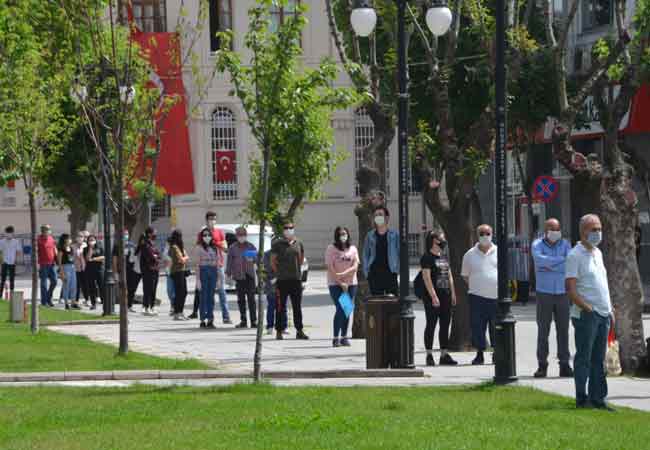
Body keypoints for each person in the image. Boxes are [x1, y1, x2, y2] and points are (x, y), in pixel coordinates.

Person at [566, 214, 615, 411]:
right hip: (587, 314)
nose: (597, 233)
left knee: (598, 359)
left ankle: (598, 398)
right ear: (583, 231)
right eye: (593, 229)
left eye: (599, 229)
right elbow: (571, 288)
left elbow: (601, 283)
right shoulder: (574, 255)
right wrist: (587, 308)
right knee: (584, 358)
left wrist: (610, 308)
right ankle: (582, 398)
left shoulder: (597, 253)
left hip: (604, 314)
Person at [531, 218, 574, 378]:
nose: (555, 232)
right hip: (544, 292)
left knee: (563, 330)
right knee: (543, 331)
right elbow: (539, 261)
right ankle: (542, 365)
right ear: (546, 230)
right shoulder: (537, 245)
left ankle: (564, 364)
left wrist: (549, 264)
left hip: (562, 292)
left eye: (557, 229)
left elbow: (568, 263)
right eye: (552, 229)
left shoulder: (566, 244)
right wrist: (559, 261)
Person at [461, 224, 498, 365]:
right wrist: (478, 284)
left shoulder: (498, 251)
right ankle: (479, 354)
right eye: (482, 233)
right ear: (477, 235)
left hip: (495, 297)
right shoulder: (469, 254)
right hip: (476, 297)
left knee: (496, 327)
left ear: (492, 234)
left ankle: (496, 352)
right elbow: (465, 275)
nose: (485, 236)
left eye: (487, 233)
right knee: (477, 327)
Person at [421, 231, 458, 366]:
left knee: (445, 325)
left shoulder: (444, 256)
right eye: (441, 238)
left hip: (446, 295)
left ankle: (444, 354)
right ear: (434, 240)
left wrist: (453, 293)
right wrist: (433, 296)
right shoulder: (426, 257)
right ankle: (429, 354)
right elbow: (426, 277)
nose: (443, 240)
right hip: (432, 297)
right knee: (431, 324)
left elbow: (449, 275)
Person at [271, 222, 309, 340]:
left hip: (296, 280)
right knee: (280, 306)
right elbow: (273, 261)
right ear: (283, 230)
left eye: (290, 228)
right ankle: (279, 330)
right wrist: (279, 273)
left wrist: (298, 273)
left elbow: (301, 259)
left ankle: (299, 330)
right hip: (282, 280)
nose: (288, 230)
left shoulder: (299, 243)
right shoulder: (277, 244)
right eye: (286, 228)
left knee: (297, 306)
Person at [325, 226, 359, 347]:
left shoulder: (353, 248)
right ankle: (335, 337)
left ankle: (344, 336)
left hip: (351, 284)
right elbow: (330, 267)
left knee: (347, 309)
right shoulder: (331, 249)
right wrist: (340, 282)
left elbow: (355, 266)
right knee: (340, 308)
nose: (343, 236)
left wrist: (345, 276)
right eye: (340, 234)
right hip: (335, 284)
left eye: (344, 233)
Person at [200, 211, 231, 324]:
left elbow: (225, 248)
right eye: (210, 219)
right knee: (208, 293)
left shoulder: (219, 232)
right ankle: (209, 318)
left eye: (214, 219)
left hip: (219, 265)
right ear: (206, 220)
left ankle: (226, 316)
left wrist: (216, 243)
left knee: (221, 291)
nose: (212, 221)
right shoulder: (203, 233)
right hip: (206, 266)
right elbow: (199, 249)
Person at [362, 207, 399, 296]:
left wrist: (397, 269)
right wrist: (367, 272)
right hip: (374, 274)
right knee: (376, 303)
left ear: (386, 217)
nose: (378, 217)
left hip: (390, 273)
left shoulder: (394, 234)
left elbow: (400, 253)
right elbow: (365, 255)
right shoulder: (370, 235)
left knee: (392, 302)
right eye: (376, 215)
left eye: (380, 215)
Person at [226, 227, 257, 328]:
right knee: (241, 300)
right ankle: (243, 320)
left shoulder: (251, 246)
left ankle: (254, 321)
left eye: (243, 235)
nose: (242, 237)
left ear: (246, 235)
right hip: (239, 277)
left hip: (249, 276)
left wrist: (252, 259)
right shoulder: (232, 248)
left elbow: (258, 259)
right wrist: (228, 274)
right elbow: (229, 262)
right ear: (236, 236)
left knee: (251, 299)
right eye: (239, 235)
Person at [195, 226, 220, 329]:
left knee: (211, 297)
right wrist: (197, 280)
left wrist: (218, 279)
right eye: (204, 235)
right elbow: (197, 264)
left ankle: (210, 319)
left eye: (209, 235)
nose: (207, 237)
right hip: (203, 270)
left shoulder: (215, 247)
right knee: (203, 297)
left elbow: (217, 263)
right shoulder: (199, 247)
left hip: (213, 271)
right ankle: (202, 320)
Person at [263, 248, 287, 335]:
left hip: (282, 283)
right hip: (271, 284)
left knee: (282, 306)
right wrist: (272, 278)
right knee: (271, 306)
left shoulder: (284, 253)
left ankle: (283, 327)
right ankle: (270, 327)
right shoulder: (267, 254)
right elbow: (265, 269)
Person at [137, 227, 160, 316]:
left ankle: (152, 306)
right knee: (148, 288)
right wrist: (155, 257)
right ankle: (146, 307)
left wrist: (156, 256)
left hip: (155, 269)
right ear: (150, 234)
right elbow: (150, 256)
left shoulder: (152, 243)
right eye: (154, 232)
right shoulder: (145, 244)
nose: (155, 234)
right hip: (148, 270)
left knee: (153, 288)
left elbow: (158, 254)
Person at [168, 229, 189, 321]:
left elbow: (184, 256)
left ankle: (180, 311)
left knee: (184, 292)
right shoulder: (174, 247)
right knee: (180, 292)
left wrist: (185, 256)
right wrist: (186, 257)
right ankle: (177, 313)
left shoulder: (178, 247)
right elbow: (182, 260)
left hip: (181, 271)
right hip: (177, 272)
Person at [37, 225, 58, 307]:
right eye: (46, 230)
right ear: (42, 231)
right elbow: (35, 252)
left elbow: (54, 249)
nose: (48, 231)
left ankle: (48, 297)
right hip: (43, 264)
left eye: (49, 230)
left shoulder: (51, 238)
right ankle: (44, 302)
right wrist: (36, 265)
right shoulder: (38, 239)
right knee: (43, 284)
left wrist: (57, 261)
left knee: (55, 281)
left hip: (52, 264)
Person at [83, 235, 104, 310]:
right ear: (87, 241)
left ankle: (103, 301)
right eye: (90, 240)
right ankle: (93, 303)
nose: (91, 241)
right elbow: (87, 258)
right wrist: (90, 249)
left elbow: (103, 257)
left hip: (99, 269)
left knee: (101, 285)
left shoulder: (99, 247)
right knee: (91, 287)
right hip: (89, 270)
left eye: (93, 240)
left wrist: (94, 259)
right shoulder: (85, 249)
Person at [57, 234, 77, 310]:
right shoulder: (61, 249)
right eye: (69, 239)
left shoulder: (71, 248)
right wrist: (61, 272)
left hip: (72, 267)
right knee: (66, 286)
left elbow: (73, 258)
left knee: (73, 285)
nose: (70, 240)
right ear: (65, 240)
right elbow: (59, 262)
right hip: (65, 267)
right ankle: (66, 303)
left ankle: (73, 302)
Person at [1, 226, 21, 299]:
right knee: (3, 279)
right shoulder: (2, 241)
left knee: (12, 279)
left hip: (12, 262)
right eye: (7, 233)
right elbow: (0, 252)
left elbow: (18, 252)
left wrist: (16, 260)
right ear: (5, 233)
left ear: (12, 233)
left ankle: (12, 295)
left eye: (10, 233)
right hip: (4, 262)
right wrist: (2, 260)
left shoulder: (16, 241)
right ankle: (0, 295)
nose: (8, 234)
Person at [73, 232, 88, 307]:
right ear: (76, 238)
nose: (80, 238)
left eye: (81, 236)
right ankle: (76, 300)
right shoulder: (73, 246)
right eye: (78, 236)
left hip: (85, 268)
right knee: (77, 285)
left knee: (85, 284)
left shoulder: (86, 245)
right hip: (76, 268)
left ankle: (86, 299)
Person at [162, 239, 176, 316]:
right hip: (168, 273)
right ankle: (172, 304)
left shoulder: (175, 249)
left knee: (174, 291)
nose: (167, 244)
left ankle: (174, 307)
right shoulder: (166, 250)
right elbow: (164, 260)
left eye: (168, 243)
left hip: (175, 272)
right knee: (169, 290)